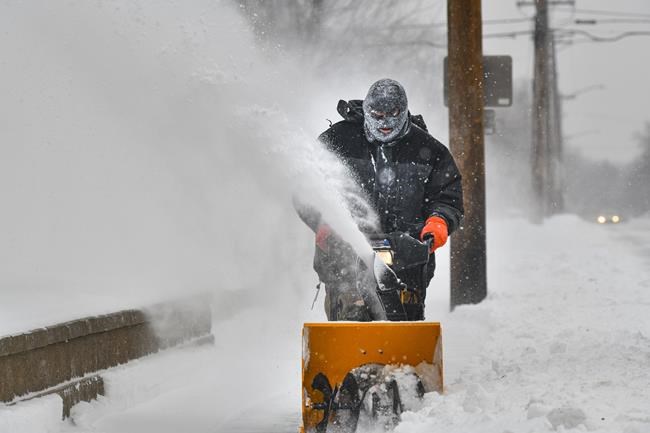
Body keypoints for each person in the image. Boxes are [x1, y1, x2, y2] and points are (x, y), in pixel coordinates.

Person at [296, 78, 463, 321]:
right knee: (349, 326)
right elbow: (305, 188)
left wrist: (438, 221)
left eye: (392, 114)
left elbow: (448, 197)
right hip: (344, 258)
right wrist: (322, 222)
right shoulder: (337, 142)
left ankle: (405, 361)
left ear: (404, 110)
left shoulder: (430, 151)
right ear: (366, 111)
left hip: (407, 263)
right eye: (377, 114)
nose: (384, 122)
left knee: (404, 335)